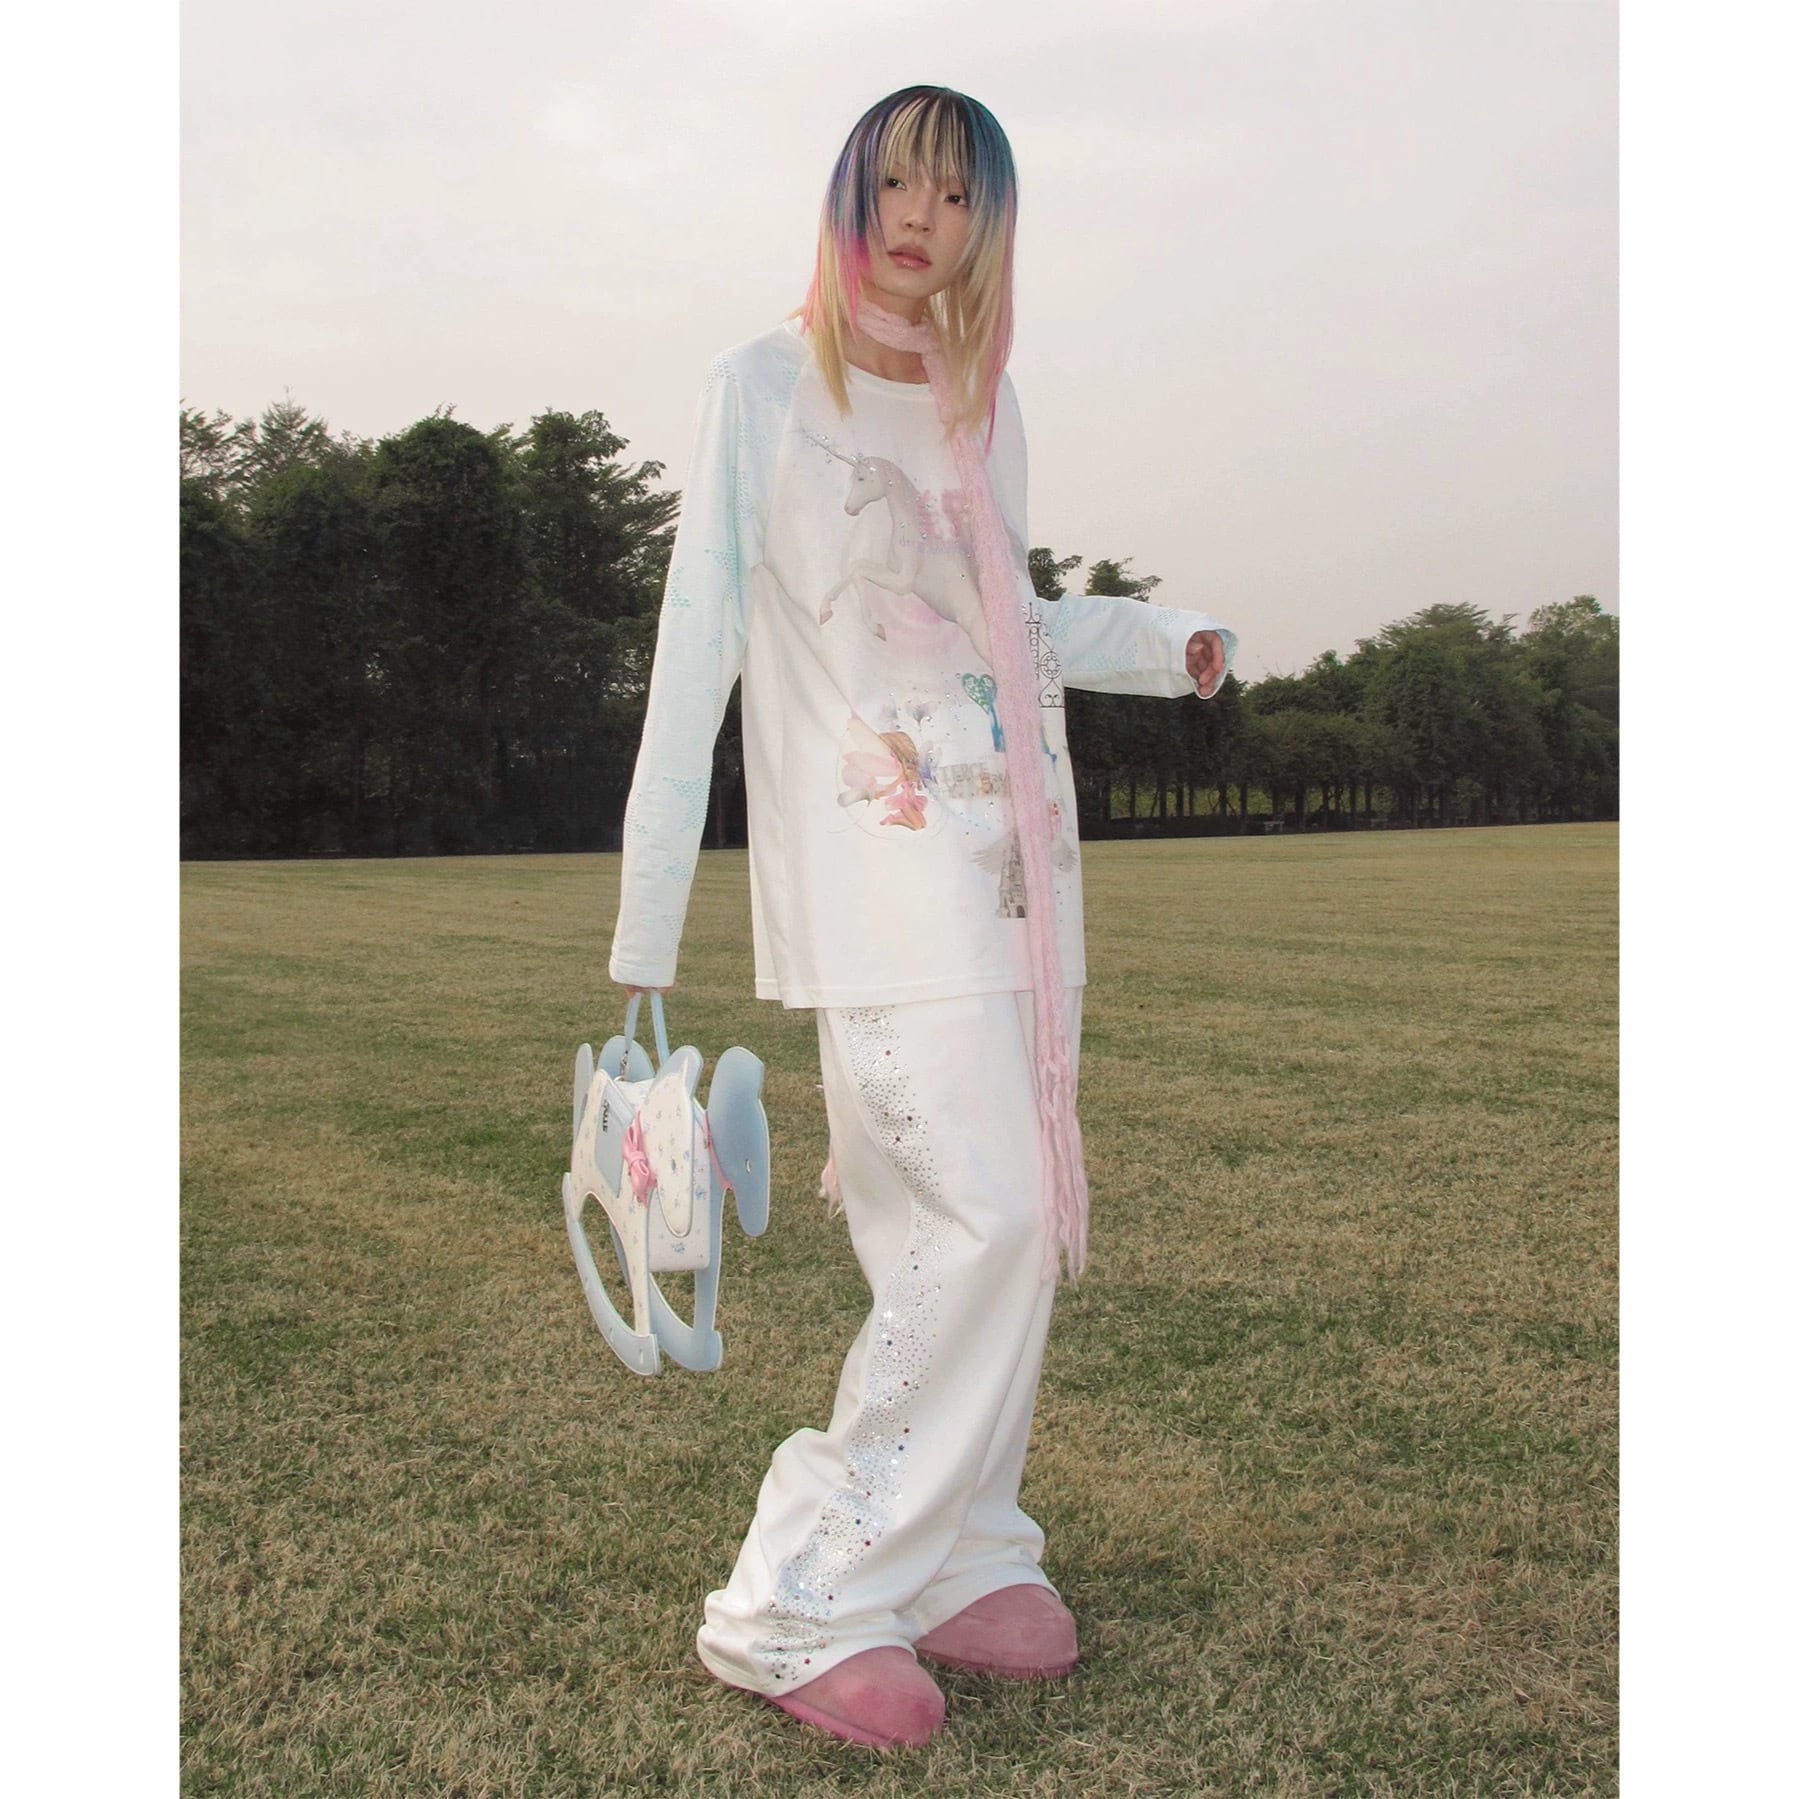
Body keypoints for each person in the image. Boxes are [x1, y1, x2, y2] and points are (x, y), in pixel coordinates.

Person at [608, 85, 1236, 1750]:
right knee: (990, 1216)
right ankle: (801, 1594)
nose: (919, 218)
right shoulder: (762, 389)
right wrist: (646, 929)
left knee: (957, 1225)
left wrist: (1151, 640)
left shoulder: (981, 399)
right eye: (897, 181)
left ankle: (962, 1549)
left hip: (1019, 875)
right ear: (850, 192)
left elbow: (994, 623)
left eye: (957, 198)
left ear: (988, 228)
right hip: (877, 876)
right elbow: (695, 643)